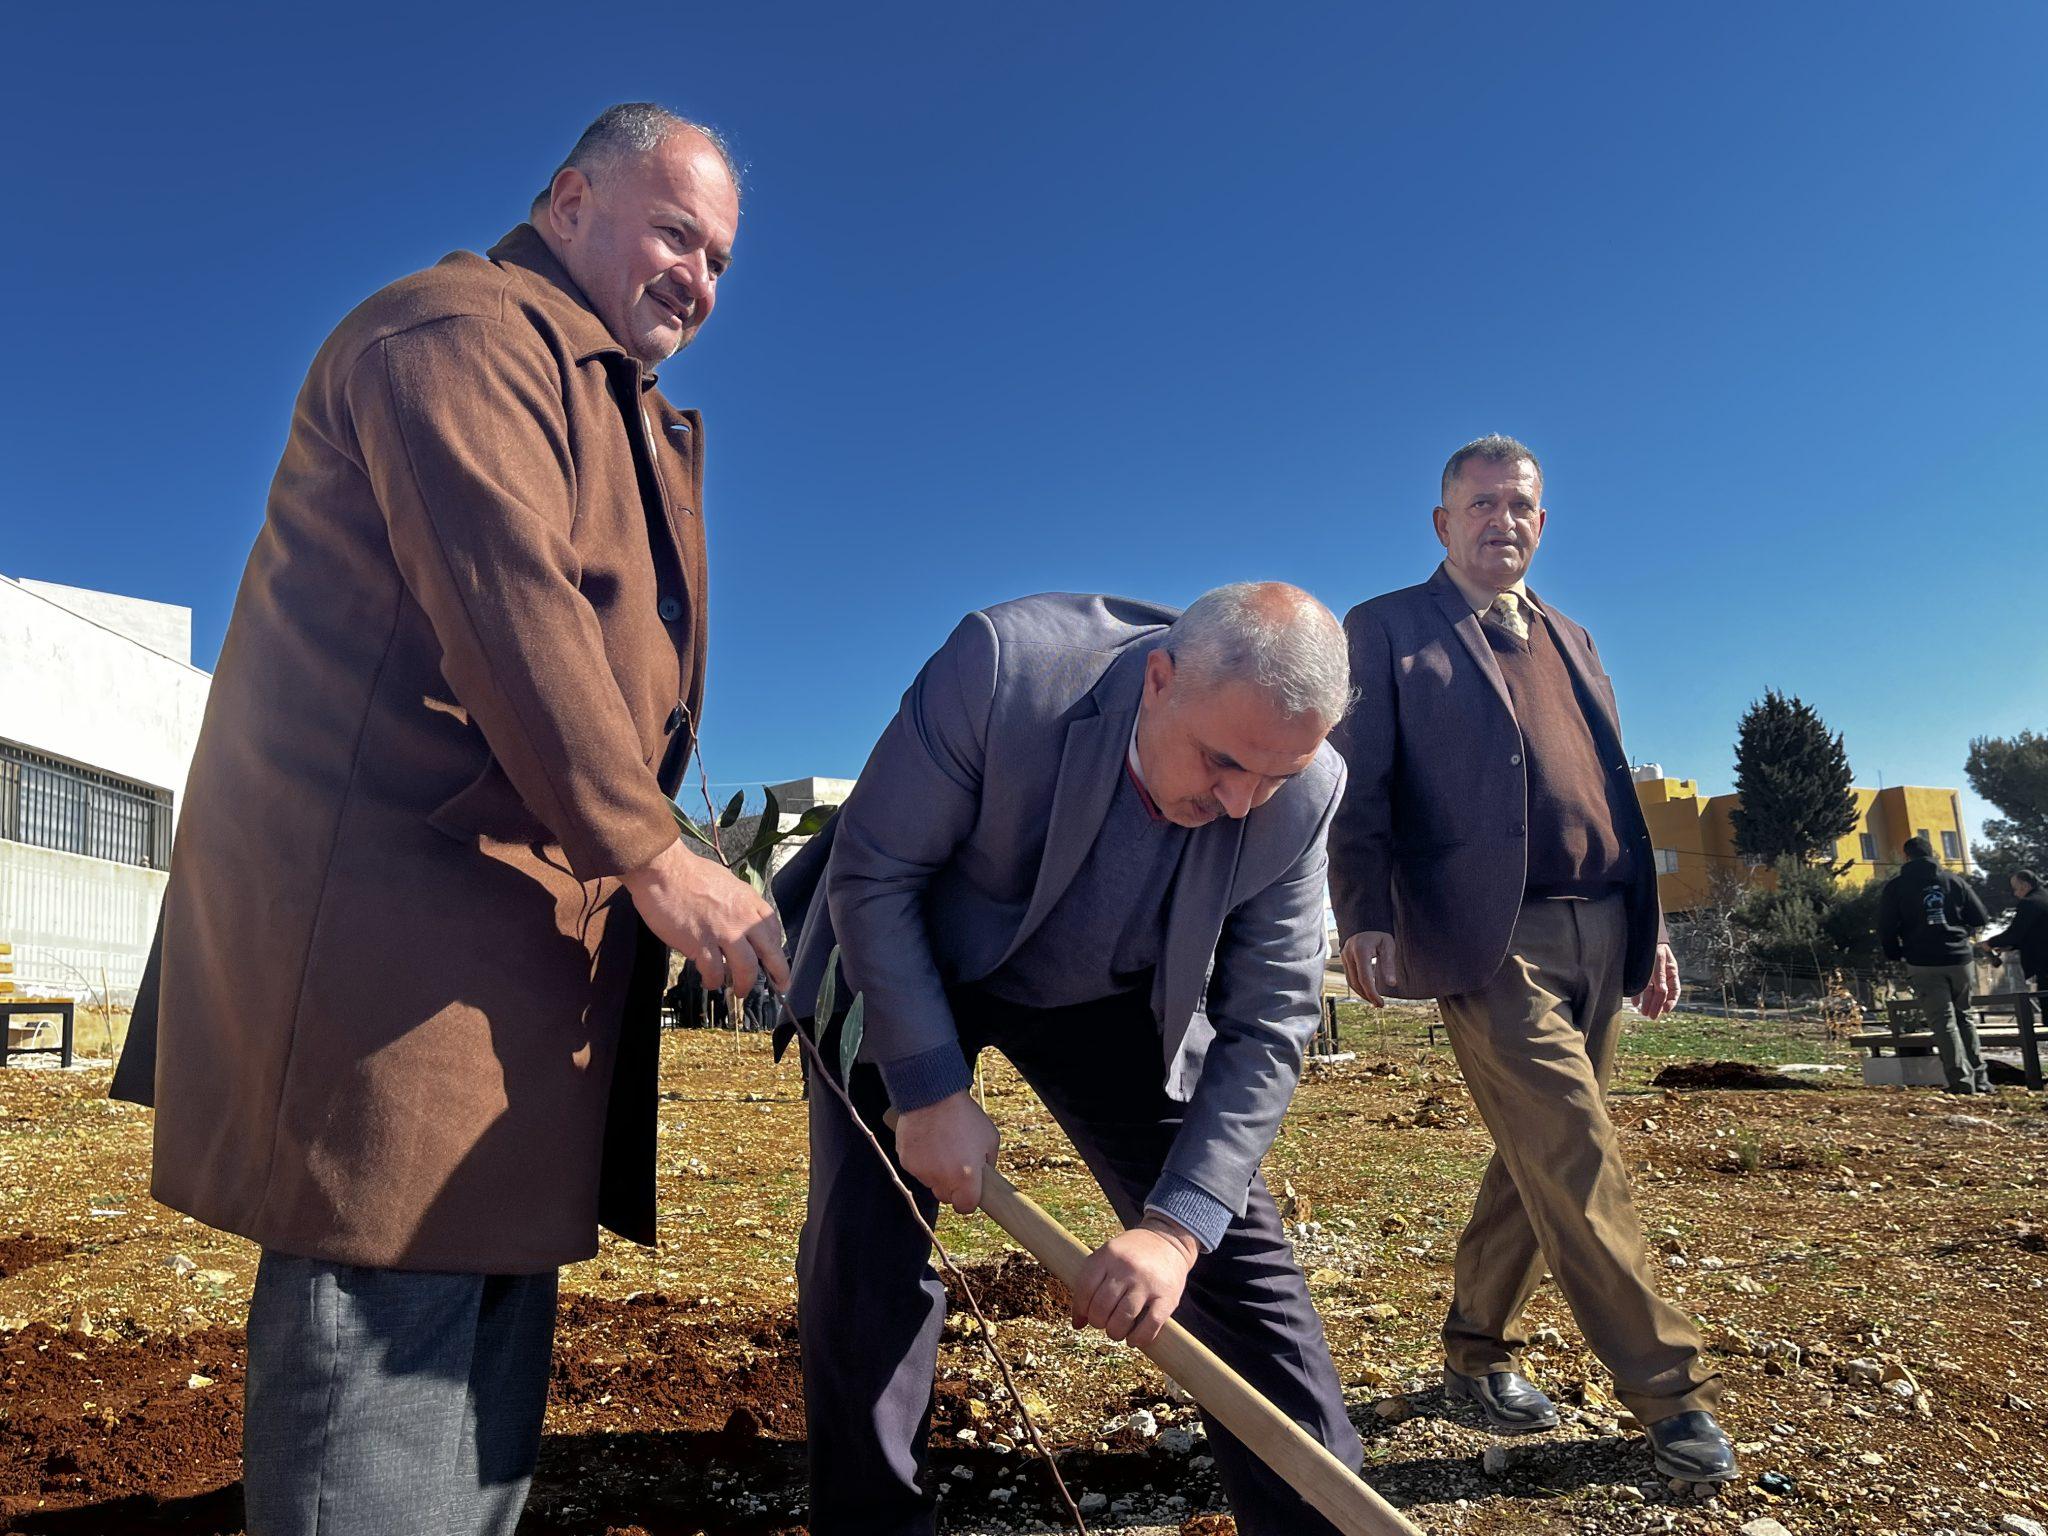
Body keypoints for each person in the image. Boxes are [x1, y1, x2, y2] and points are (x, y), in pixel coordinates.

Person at [108, 104, 781, 1536]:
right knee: (384, 1371)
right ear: (569, 199)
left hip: (513, 961)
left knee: (479, 1408)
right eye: (676, 234)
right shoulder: (453, 333)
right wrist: (653, 853)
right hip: (389, 960)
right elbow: (507, 607)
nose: (698, 280)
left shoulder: (605, 398)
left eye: (721, 260)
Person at [775, 585, 1365, 1535]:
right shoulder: (1005, 670)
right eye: (1221, 762)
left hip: (1111, 996)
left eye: (1273, 777)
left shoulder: (1305, 789)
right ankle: (871, 1520)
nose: (1239, 803)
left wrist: (1175, 1232)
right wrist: (928, 1089)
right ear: (1159, 679)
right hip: (915, 959)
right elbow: (876, 873)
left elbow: (1269, 1021)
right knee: (867, 1253)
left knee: (1235, 1261)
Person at [1326, 435, 1735, 1487]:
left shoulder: (1573, 637)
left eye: (1519, 506)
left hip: (1604, 927)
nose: (1500, 521)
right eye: (1480, 504)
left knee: (1534, 1154)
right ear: (1442, 522)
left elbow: (1611, 794)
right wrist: (1363, 911)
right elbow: (1359, 786)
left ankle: (1473, 1349)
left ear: (1541, 523)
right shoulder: (1385, 628)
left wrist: (1648, 930)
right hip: (1487, 937)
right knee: (1573, 1148)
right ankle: (1670, 1392)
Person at [1879, 836, 1993, 1094]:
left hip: (1923, 960)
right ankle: (1981, 1079)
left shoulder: (1896, 887)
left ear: (1906, 857)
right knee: (1965, 1016)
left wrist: (1895, 953)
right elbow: (1980, 917)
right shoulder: (1953, 880)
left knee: (1943, 1021)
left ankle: (1961, 1081)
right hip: (1959, 959)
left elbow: (1886, 927)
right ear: (1933, 854)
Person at [1982, 868, 2048, 991]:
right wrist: (2010, 946)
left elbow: (2014, 933)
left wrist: (1990, 943)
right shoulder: (2044, 898)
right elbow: (2034, 933)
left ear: (2025, 885)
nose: (2015, 894)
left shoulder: (2030, 903)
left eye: (2015, 889)